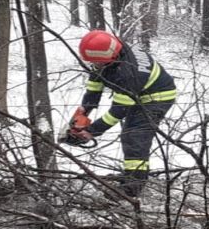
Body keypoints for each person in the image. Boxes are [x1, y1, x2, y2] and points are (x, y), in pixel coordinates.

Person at [68, 29, 176, 196]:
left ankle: (133, 187)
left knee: (134, 136)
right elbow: (96, 82)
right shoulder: (114, 50)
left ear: (109, 59)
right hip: (138, 93)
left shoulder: (129, 73)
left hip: (156, 98)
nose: (95, 66)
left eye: (97, 63)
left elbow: (118, 111)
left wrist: (91, 131)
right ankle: (130, 175)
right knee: (130, 135)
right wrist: (85, 109)